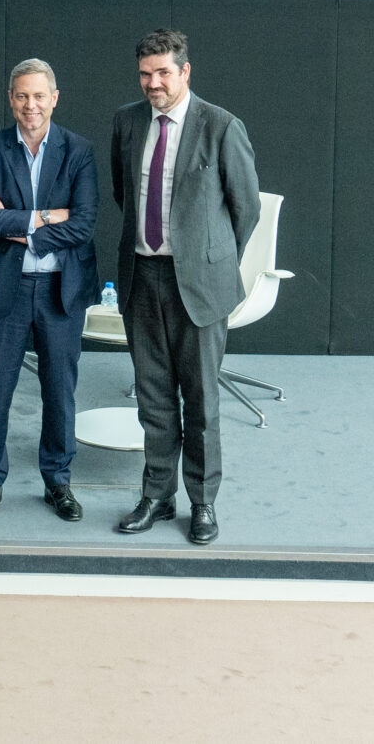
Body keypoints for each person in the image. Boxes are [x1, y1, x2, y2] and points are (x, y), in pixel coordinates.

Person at [110, 28, 259, 546]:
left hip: (198, 284)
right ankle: (157, 495)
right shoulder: (127, 122)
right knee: (153, 397)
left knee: (200, 401)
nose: (153, 83)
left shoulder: (221, 126)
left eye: (163, 73)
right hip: (141, 276)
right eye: (145, 74)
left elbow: (246, 209)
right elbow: (123, 193)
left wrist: (209, 259)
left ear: (185, 71)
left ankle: (202, 502)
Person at [0, 57, 99, 523]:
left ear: (54, 98)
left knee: (59, 392)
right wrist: (47, 216)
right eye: (22, 96)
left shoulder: (79, 151)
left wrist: (23, 228)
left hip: (61, 289)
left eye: (39, 95)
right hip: (6, 286)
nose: (31, 105)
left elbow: (83, 223)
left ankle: (58, 480)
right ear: (11, 99)